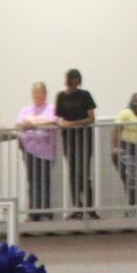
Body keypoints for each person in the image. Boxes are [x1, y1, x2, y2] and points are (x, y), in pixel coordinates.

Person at [55, 70, 97, 217]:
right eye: (71, 82)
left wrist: (74, 123)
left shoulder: (85, 95)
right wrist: (65, 123)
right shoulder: (61, 96)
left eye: (76, 82)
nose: (73, 85)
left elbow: (91, 118)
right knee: (73, 172)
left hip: (84, 137)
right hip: (69, 138)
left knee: (84, 172)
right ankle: (77, 208)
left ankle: (90, 208)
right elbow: (57, 118)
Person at [16, 82, 58, 215]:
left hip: (45, 151)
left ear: (45, 94)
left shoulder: (51, 108)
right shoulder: (26, 110)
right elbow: (20, 124)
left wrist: (34, 123)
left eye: (39, 92)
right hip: (30, 149)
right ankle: (33, 212)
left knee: (44, 180)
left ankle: (45, 211)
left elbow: (54, 121)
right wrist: (37, 123)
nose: (36, 95)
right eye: (34, 92)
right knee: (32, 181)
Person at [111, 93, 137, 215]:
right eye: (135, 100)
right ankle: (131, 209)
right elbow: (116, 130)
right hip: (125, 148)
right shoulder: (126, 113)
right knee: (133, 178)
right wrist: (115, 147)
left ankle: (131, 207)